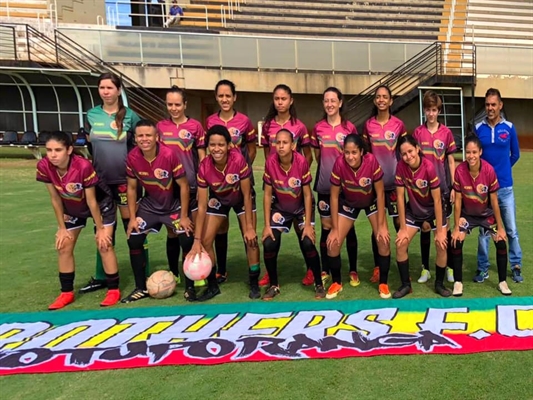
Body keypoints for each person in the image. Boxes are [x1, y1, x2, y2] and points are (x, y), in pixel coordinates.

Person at [36, 131, 121, 310]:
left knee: (104, 243)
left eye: (58, 150)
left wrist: (100, 228)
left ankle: (113, 290)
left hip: (100, 204)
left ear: (69, 150)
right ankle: (66, 293)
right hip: (72, 207)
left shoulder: (82, 166)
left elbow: (92, 201)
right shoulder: (44, 166)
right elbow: (55, 198)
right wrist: (61, 227)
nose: (52, 154)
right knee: (63, 244)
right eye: (49, 150)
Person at [80, 72, 145, 295]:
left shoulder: (131, 117)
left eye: (109, 87)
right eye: (102, 88)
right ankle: (103, 276)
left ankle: (141, 273)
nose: (105, 91)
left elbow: (139, 147)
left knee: (134, 227)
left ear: (118, 91)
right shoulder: (92, 115)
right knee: (103, 228)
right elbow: (90, 146)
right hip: (100, 182)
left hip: (126, 181)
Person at [122, 120, 194, 303]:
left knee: (186, 238)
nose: (144, 139)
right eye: (140, 136)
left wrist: (184, 216)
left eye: (148, 135)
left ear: (157, 137)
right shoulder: (132, 157)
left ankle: (189, 287)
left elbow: (184, 186)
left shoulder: (169, 154)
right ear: (136, 138)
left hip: (173, 205)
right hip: (150, 206)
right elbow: (131, 188)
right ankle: (140, 288)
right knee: (134, 238)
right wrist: (132, 218)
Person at [188, 125, 260, 301]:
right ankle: (212, 286)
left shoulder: (238, 160)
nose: (216, 149)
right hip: (219, 198)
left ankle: (254, 282)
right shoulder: (204, 166)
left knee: (250, 239)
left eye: (221, 144)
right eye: (212, 145)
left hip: (241, 198)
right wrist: (196, 241)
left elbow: (246, 194)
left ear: (229, 145)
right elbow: (203, 206)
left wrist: (249, 227)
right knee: (205, 241)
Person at [325, 134, 391, 299]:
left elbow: (381, 192)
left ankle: (383, 283)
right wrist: (334, 228)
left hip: (371, 201)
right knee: (332, 244)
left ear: (361, 151)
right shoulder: (339, 164)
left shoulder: (371, 161)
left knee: (383, 239)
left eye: (354, 152)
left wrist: (382, 225)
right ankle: (337, 282)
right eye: (347, 152)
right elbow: (333, 196)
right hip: (349, 203)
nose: (350, 156)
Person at [260, 83, 313, 287]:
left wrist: (297, 178)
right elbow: (266, 154)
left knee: (303, 232)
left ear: (291, 101)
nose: (280, 102)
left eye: (284, 98)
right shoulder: (268, 126)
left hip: (296, 188)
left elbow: (307, 154)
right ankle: (269, 274)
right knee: (272, 234)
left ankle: (310, 270)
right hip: (276, 186)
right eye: (276, 99)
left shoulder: (299, 126)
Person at [262, 129, 324, 300]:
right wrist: (267, 226)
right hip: (280, 209)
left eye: (285, 142)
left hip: (301, 208)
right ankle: (274, 285)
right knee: (269, 243)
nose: (281, 146)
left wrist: (309, 225)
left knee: (307, 242)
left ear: (293, 145)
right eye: (278, 142)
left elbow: (307, 194)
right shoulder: (270, 162)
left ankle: (319, 283)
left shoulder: (301, 161)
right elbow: (267, 194)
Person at [206, 79, 257, 285]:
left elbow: (252, 147)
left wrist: (242, 168)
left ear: (234, 97)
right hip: (219, 186)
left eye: (228, 95)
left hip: (241, 183)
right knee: (220, 227)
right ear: (216, 97)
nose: (224, 99)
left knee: (248, 228)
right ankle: (221, 271)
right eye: (221, 96)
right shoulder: (210, 121)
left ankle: (252, 273)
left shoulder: (244, 120)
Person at [157, 86, 205, 291]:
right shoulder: (160, 127)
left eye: (178, 104)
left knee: (190, 229)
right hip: (168, 186)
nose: (174, 108)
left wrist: (203, 178)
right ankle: (174, 272)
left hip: (191, 184)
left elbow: (202, 156)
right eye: (170, 104)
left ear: (185, 104)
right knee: (172, 231)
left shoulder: (195, 126)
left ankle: (196, 270)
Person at [311, 87, 360, 288]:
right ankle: (326, 269)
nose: (329, 104)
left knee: (348, 228)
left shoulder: (350, 128)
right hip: (324, 185)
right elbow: (317, 155)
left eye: (333, 100)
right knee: (327, 227)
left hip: (347, 188)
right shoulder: (317, 128)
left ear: (340, 103)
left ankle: (353, 270)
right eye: (326, 101)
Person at [450, 136, 511, 296]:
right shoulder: (460, 171)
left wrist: (500, 227)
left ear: (480, 152)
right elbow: (457, 201)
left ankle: (502, 282)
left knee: (501, 242)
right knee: (456, 241)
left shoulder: (489, 170)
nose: (471, 156)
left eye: (474, 152)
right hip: (467, 215)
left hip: (486, 214)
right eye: (468, 152)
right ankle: (458, 282)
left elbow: (494, 201)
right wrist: (456, 227)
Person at [474, 88, 522, 283]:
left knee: (510, 229)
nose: (490, 108)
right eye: (487, 105)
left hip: (505, 189)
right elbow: (475, 157)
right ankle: (482, 268)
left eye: (493, 104)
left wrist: (502, 172)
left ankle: (516, 265)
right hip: (483, 192)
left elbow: (515, 154)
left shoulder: (509, 128)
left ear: (500, 105)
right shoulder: (478, 128)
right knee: (484, 231)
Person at [394, 135, 450, 299]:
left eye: (410, 151)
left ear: (417, 148)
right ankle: (406, 285)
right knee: (400, 244)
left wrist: (440, 230)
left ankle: (439, 284)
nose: (408, 156)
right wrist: (403, 228)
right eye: (404, 154)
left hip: (434, 211)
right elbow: (399, 198)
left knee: (441, 245)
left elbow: (437, 199)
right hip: (414, 212)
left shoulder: (429, 167)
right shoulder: (400, 167)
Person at [362, 85, 406, 284]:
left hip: (395, 184)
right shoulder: (368, 125)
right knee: (377, 227)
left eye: (385, 97)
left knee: (399, 224)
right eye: (378, 97)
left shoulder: (398, 125)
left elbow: (406, 152)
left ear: (391, 101)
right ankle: (379, 267)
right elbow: (364, 155)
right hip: (374, 187)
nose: (381, 100)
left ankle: (401, 262)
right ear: (375, 101)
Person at [412, 90, 456, 284]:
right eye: (428, 110)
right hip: (423, 191)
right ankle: (425, 269)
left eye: (434, 110)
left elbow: (451, 160)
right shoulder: (418, 133)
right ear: (424, 111)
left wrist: (454, 186)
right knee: (425, 228)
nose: (431, 113)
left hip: (443, 189)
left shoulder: (446, 133)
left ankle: (448, 266)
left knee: (443, 228)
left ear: (439, 111)